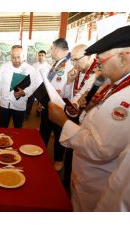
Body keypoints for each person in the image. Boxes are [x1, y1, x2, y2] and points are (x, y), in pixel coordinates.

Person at [48, 25, 130, 211]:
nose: (98, 67)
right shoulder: (115, 84)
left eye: (100, 62)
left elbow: (100, 148)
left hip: (97, 182)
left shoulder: (125, 97)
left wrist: (63, 122)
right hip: (86, 173)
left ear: (124, 58)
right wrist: (90, 107)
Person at [61, 44, 99, 188]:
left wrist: (75, 105)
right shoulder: (77, 71)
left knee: (80, 157)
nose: (74, 64)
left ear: (89, 56)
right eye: (73, 60)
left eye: (77, 60)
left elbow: (83, 99)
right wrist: (69, 81)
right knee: (70, 152)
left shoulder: (98, 74)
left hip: (86, 120)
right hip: (74, 114)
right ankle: (67, 183)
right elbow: (67, 95)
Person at [39, 38, 73, 171]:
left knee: (59, 134)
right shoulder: (56, 64)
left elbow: (67, 90)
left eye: (52, 48)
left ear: (58, 49)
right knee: (44, 131)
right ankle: (40, 153)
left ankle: (59, 160)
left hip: (60, 106)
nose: (50, 51)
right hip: (48, 104)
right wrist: (42, 101)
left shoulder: (69, 66)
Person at [0, 45, 41, 128]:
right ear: (10, 56)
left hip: (19, 105)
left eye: (18, 57)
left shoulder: (30, 69)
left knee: (18, 128)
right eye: (13, 57)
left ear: (23, 56)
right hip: (4, 104)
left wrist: (24, 92)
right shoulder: (4, 67)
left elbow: (33, 85)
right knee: (2, 127)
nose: (16, 60)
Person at [25, 50, 51, 119]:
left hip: (42, 86)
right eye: (39, 55)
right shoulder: (34, 65)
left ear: (45, 57)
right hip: (33, 86)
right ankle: (26, 114)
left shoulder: (48, 67)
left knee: (41, 101)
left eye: (42, 55)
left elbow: (49, 78)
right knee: (30, 100)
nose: (40, 57)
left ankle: (38, 112)